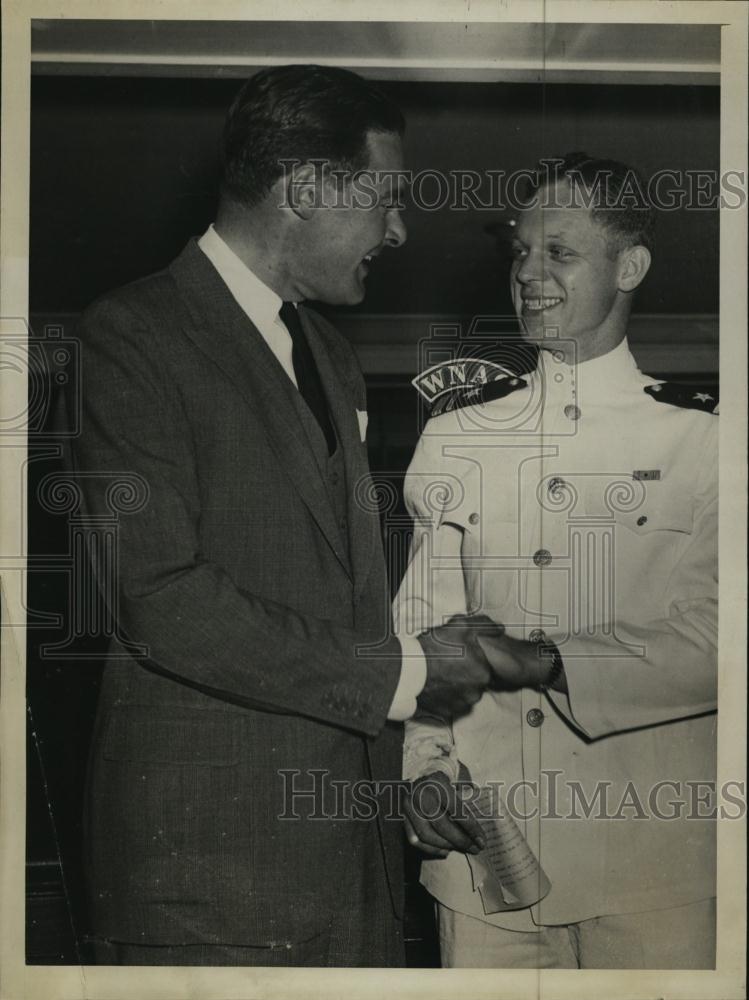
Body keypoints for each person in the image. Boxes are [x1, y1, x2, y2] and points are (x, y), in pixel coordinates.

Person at [70, 64, 495, 968]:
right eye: (384, 199)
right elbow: (159, 598)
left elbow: (342, 590)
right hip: (205, 885)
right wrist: (404, 673)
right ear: (304, 190)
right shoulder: (129, 337)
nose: (399, 228)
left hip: (352, 871)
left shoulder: (332, 356)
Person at [398, 153, 718, 969]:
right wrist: (423, 772)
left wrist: (545, 661)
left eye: (560, 254)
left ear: (629, 265)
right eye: (520, 254)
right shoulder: (457, 436)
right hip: (487, 861)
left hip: (656, 868)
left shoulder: (706, 440)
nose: (528, 276)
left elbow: (726, 640)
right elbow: (421, 629)